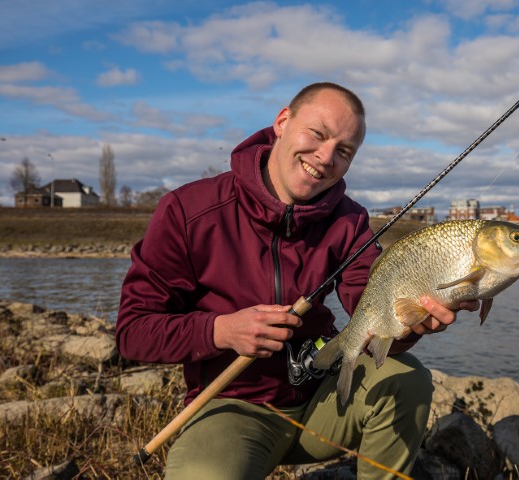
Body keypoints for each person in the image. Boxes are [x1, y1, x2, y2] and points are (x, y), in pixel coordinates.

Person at [116, 82, 479, 479]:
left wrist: (412, 322)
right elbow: (133, 332)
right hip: (232, 409)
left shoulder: (350, 220)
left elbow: (371, 309)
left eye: (343, 151)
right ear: (282, 121)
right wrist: (221, 330)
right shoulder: (187, 210)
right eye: (317, 134)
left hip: (322, 398)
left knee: (408, 379)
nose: (325, 158)